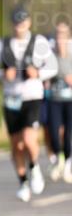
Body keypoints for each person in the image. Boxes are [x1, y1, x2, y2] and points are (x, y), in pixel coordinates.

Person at [0, 7, 58, 202]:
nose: (20, 27)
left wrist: (38, 74)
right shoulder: (1, 45)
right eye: (17, 23)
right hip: (11, 98)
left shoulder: (39, 42)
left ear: (29, 22)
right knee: (16, 145)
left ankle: (34, 167)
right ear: (12, 24)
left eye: (23, 22)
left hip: (32, 96)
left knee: (28, 139)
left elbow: (53, 66)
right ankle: (23, 182)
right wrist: (2, 75)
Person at [46, 19, 72, 183]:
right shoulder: (49, 52)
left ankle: (68, 164)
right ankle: (59, 157)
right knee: (54, 133)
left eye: (63, 33)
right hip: (54, 99)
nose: (60, 37)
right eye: (57, 33)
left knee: (68, 134)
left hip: (70, 100)